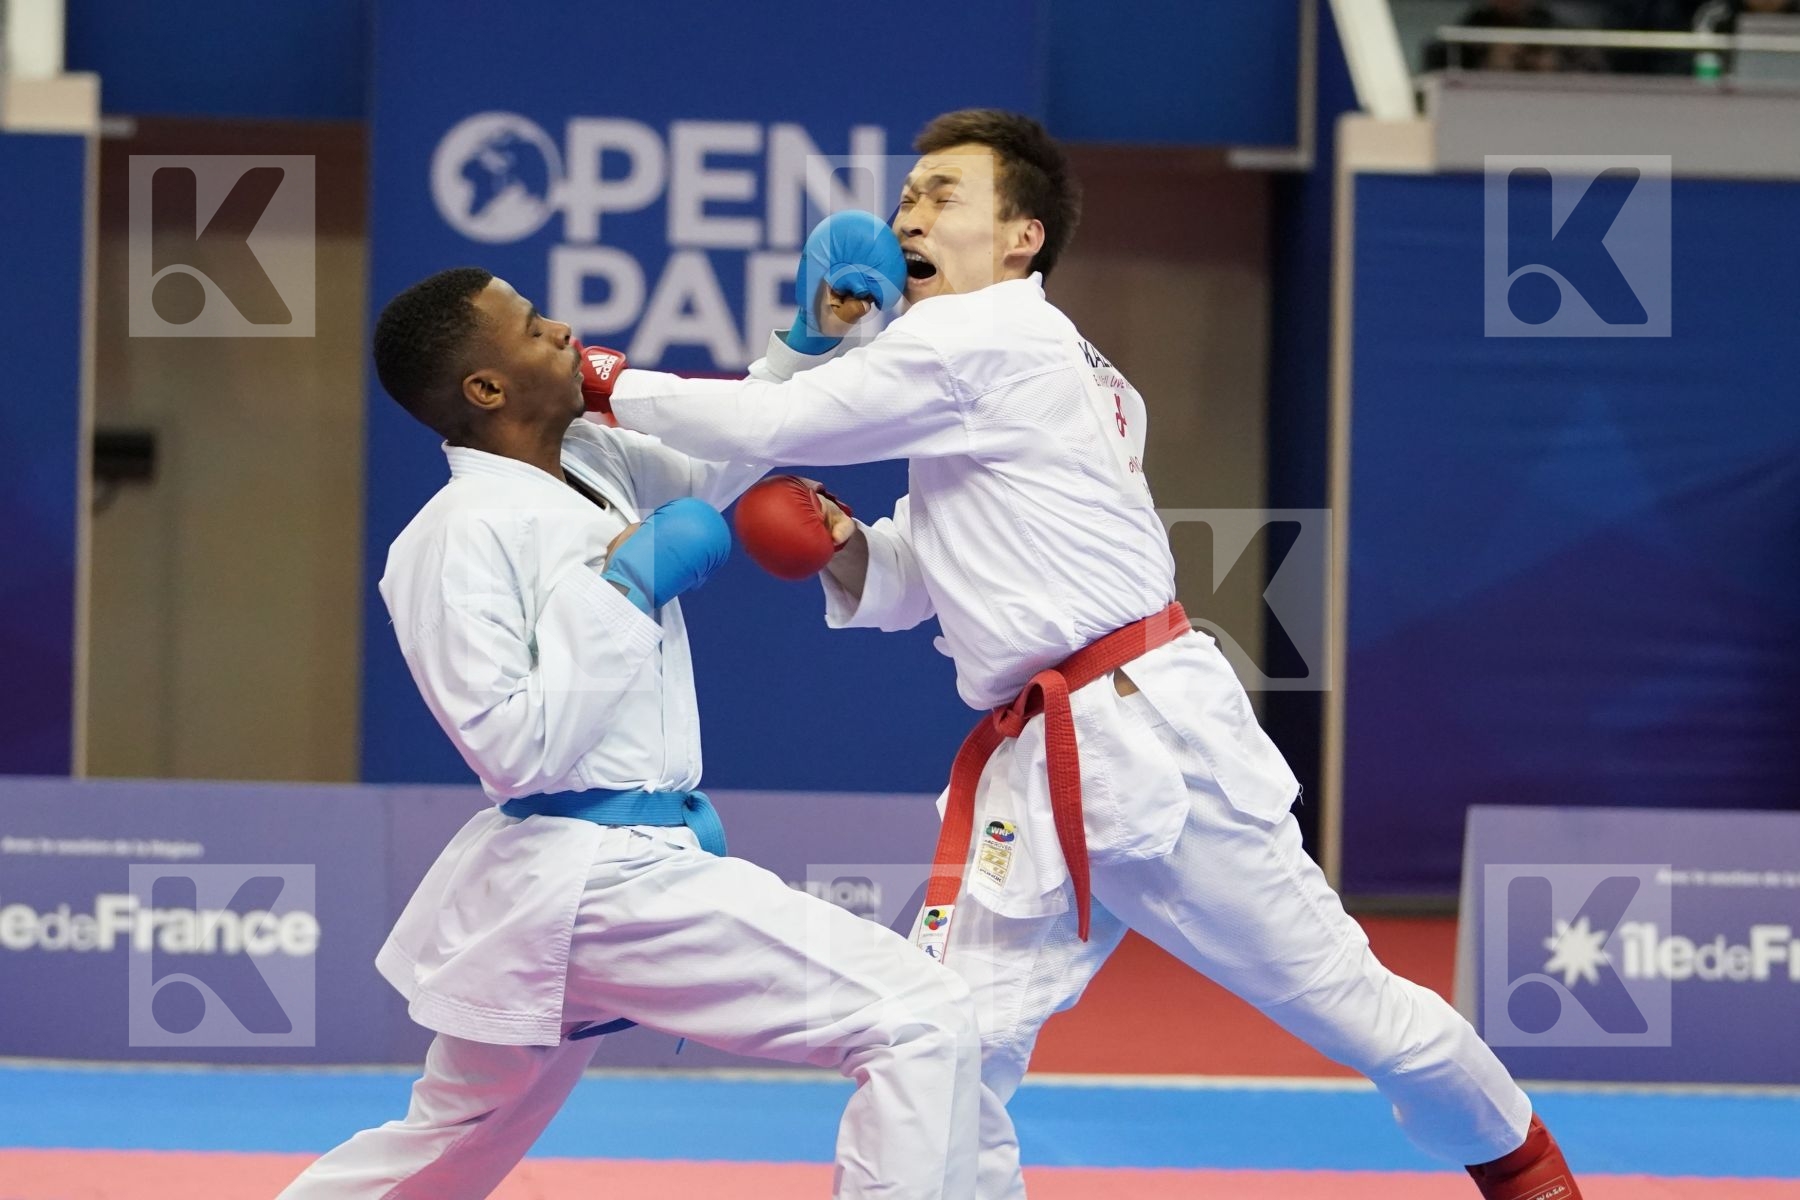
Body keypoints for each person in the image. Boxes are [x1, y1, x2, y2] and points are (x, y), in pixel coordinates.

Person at [576, 109, 1589, 1200]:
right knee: (949, 1035)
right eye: (907, 193)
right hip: (1043, 757)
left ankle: (1526, 1168)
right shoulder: (1009, 363)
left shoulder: (984, 337)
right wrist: (844, 546)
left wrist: (597, 380)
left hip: (1144, 735)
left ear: (1022, 238)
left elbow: (767, 425)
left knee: (1344, 999)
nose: (909, 211)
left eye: (944, 195)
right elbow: (925, 574)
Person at [277, 261, 980, 1199]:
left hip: (593, 882)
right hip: (596, 871)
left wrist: (807, 340)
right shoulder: (451, 537)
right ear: (486, 388)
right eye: (532, 327)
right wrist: (622, 593)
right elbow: (509, 747)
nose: (565, 330)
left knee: (443, 1148)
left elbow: (721, 459)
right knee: (917, 1013)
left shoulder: (595, 466)